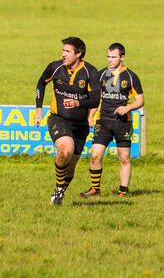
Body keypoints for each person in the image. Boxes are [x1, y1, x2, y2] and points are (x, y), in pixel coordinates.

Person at [35, 37, 100, 206]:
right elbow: (41, 83)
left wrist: (78, 102)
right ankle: (58, 190)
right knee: (66, 150)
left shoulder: (90, 73)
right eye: (63, 50)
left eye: (67, 51)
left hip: (81, 125)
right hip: (58, 118)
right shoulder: (54, 67)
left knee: (71, 166)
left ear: (78, 54)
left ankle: (59, 192)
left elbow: (95, 100)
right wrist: (38, 108)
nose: (63, 54)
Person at [81, 43, 141, 198]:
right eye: (108, 56)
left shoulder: (131, 77)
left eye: (113, 57)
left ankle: (123, 192)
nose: (110, 60)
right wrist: (91, 114)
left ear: (122, 57)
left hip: (123, 123)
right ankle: (95, 189)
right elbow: (96, 99)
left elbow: (140, 100)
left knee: (124, 158)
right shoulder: (100, 75)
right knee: (95, 155)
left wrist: (128, 108)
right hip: (103, 121)